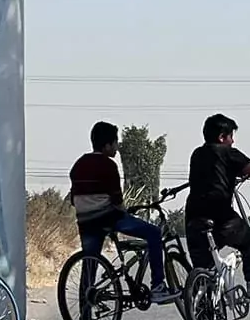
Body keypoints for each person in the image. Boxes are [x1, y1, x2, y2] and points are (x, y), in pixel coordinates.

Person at [69, 121, 176, 304]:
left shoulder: (78, 164)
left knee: (90, 265)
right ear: (107, 145)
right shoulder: (108, 165)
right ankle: (158, 286)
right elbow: (117, 200)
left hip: (85, 221)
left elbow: (73, 198)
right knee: (153, 233)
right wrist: (125, 211)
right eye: (115, 142)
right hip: (108, 218)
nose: (117, 147)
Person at [185, 113, 250, 300]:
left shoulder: (197, 153)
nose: (233, 141)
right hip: (221, 217)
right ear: (221, 137)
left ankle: (204, 319)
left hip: (194, 218)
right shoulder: (227, 152)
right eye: (230, 136)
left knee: (204, 268)